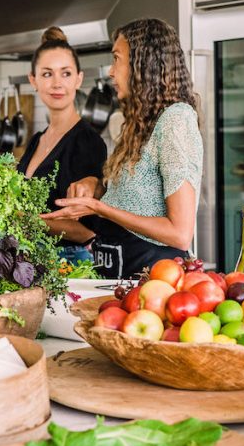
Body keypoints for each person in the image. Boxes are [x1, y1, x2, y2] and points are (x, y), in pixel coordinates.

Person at [43, 18, 203, 279]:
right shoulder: (140, 122)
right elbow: (135, 197)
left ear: (143, 64)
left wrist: (99, 208)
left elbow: (180, 233)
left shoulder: (176, 120)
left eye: (116, 59)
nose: (110, 71)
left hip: (155, 279)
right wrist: (95, 185)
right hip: (118, 273)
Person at [16, 26, 107, 265]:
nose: (57, 84)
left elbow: (87, 231)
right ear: (33, 80)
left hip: (71, 263)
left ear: (79, 78)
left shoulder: (87, 141)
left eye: (65, 74)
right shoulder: (38, 139)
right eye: (47, 74)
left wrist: (23, 219)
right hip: (34, 259)